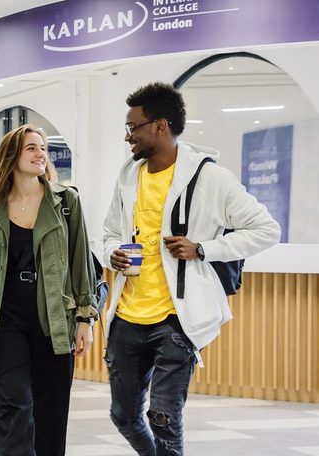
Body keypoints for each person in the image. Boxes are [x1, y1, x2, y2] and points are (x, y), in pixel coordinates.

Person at [102, 82, 280, 455]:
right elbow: (110, 232)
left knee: (164, 417)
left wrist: (203, 249)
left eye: (133, 127)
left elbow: (267, 230)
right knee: (123, 415)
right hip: (128, 314)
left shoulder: (211, 178)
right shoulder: (128, 175)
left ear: (159, 126)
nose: (127, 136)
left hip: (176, 319)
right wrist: (113, 252)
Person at [0, 124, 99, 456]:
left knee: (50, 412)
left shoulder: (66, 201)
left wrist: (85, 319)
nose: (41, 153)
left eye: (42, 147)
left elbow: (80, 262)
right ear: (11, 156)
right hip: (7, 319)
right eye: (31, 147)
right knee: (11, 405)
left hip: (54, 318)